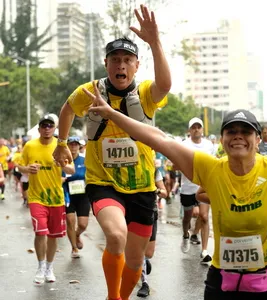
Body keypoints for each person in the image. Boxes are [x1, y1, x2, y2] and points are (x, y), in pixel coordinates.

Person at [80, 96, 267, 299]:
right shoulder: (210, 168)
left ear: (257, 139)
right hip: (224, 280)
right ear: (222, 139)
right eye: (231, 131)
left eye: (246, 131)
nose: (238, 135)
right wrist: (112, 113)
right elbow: (159, 139)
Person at [53, 5, 171, 300]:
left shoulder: (145, 94)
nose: (121, 65)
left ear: (136, 66)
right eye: (115, 60)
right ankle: (113, 297)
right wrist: (61, 142)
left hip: (142, 186)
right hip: (102, 182)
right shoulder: (91, 91)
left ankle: (119, 297)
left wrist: (155, 42)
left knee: (135, 259)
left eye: (127, 60)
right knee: (116, 236)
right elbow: (67, 109)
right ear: (106, 64)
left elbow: (165, 84)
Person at [18, 115, 74, 284]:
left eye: (50, 125)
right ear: (39, 128)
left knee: (53, 236)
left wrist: (62, 165)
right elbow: (20, 166)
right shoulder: (30, 146)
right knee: (40, 232)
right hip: (37, 197)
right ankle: (41, 266)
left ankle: (49, 267)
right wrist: (27, 168)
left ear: (54, 128)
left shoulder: (61, 146)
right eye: (44, 125)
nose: (47, 128)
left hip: (56, 198)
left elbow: (71, 169)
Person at [179, 117, 214, 264]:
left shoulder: (209, 145)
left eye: (199, 127)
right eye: (193, 127)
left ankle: (204, 251)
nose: (196, 129)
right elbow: (176, 163)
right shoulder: (184, 145)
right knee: (188, 217)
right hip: (187, 187)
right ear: (189, 130)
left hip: (204, 186)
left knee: (204, 216)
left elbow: (213, 164)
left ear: (202, 129)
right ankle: (186, 235)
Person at [137, 167, 167, 298]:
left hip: (150, 212)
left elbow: (165, 193)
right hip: (132, 212)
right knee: (139, 252)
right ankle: (144, 284)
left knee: (148, 253)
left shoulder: (154, 171)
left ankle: (145, 260)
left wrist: (157, 190)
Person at [63, 136, 90, 258]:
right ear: (67, 146)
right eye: (71, 144)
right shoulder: (63, 161)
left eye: (76, 144)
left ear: (80, 146)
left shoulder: (85, 161)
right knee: (70, 221)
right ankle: (74, 248)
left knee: (83, 225)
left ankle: (77, 234)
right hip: (68, 195)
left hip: (83, 196)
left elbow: (90, 176)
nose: (73, 146)